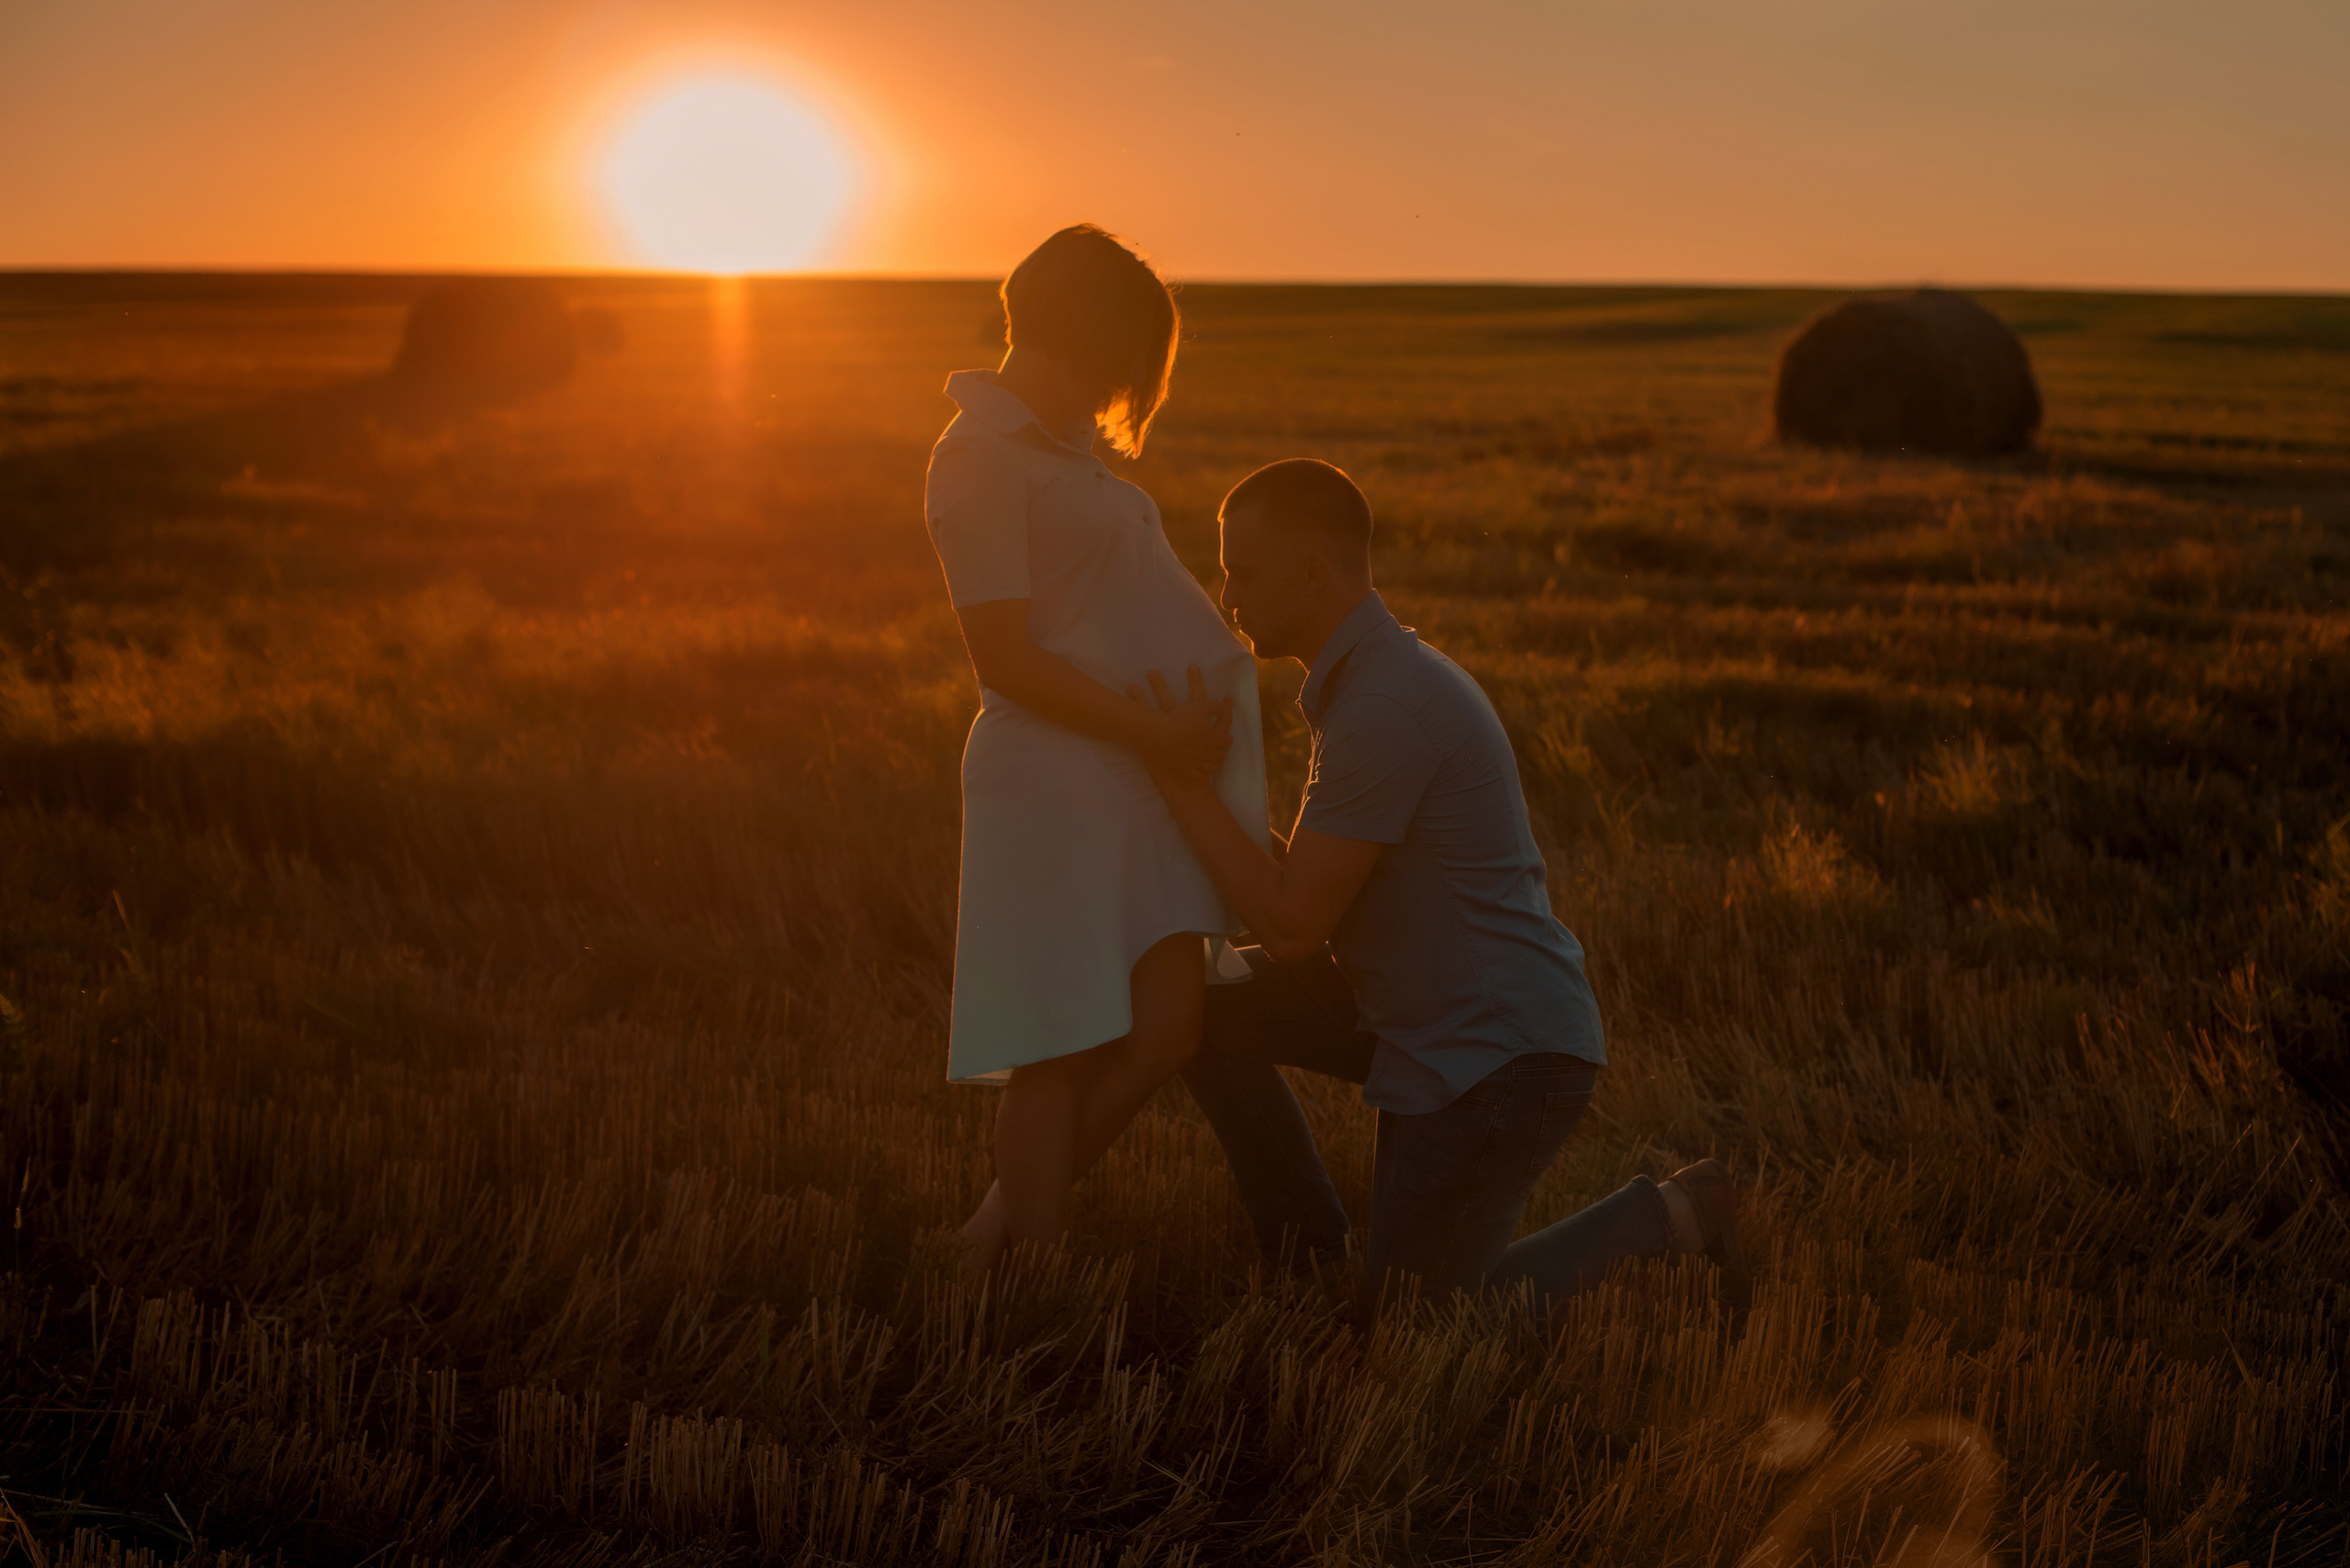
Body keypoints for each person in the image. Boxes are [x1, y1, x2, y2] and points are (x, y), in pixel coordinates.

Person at [1130, 458, 1749, 1320]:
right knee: (1198, 1002)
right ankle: (1309, 1248)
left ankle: (1675, 1211)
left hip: (1498, 1057)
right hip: (1417, 1011)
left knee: (1421, 1330)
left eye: (1242, 571)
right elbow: (1305, 880)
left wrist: (1181, 787)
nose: (1225, 593)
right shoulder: (1372, 682)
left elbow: (1295, 922)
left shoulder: (1386, 704)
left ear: (1313, 570)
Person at [923, 225, 1270, 1276]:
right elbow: (1006, 658)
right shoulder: (977, 456)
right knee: (1058, 1044)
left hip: (1138, 770)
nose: (1130, 383)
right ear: (1085, 332)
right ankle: (1025, 1255)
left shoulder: (1061, 451)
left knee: (1168, 1028)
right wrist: (1158, 730)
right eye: (1128, 354)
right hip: (1057, 777)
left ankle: (991, 1235)